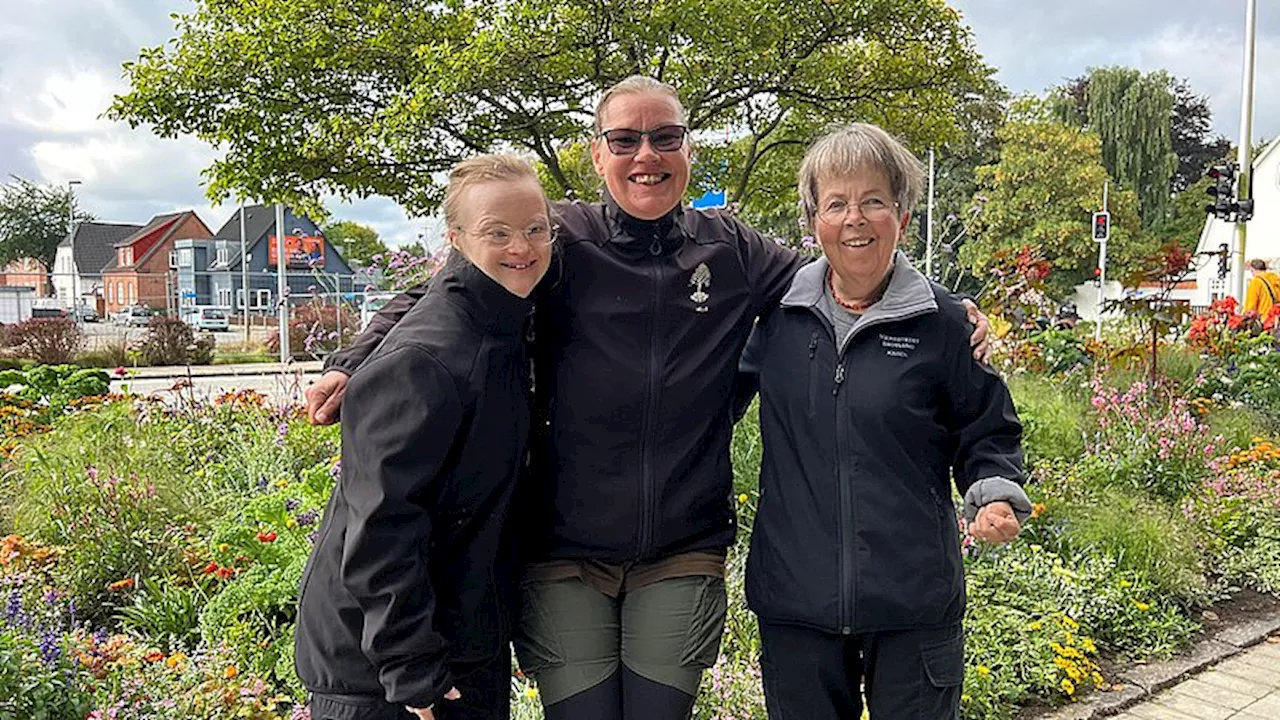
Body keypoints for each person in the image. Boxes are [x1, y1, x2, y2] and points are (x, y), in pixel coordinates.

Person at [305, 76, 992, 720]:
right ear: (597, 153)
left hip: (680, 544)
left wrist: (944, 307)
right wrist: (351, 358)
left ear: (687, 148)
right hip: (563, 546)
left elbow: (843, 267)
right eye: (626, 140)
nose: (647, 155)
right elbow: (448, 288)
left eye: (666, 137)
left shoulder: (732, 253)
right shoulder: (557, 238)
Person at [738, 124, 1028, 720]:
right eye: (836, 203)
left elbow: (987, 430)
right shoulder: (776, 320)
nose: (855, 219)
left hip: (913, 601)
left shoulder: (945, 324)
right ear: (813, 218)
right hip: (795, 597)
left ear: (902, 211)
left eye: (873, 201)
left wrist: (993, 491)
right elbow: (701, 398)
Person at [293, 154, 555, 720]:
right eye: (498, 232)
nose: (523, 247)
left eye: (536, 229)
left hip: (457, 643)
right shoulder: (425, 361)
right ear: (456, 240)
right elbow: (382, 525)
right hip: (383, 673)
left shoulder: (504, 313)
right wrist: (411, 670)